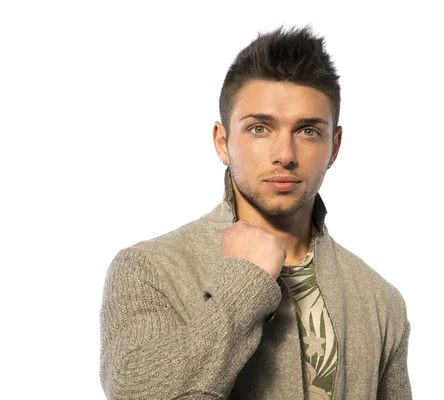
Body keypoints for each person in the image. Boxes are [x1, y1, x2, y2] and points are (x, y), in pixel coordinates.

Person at [100, 25, 411, 400]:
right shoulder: (150, 269)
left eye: (309, 131)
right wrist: (244, 281)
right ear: (222, 142)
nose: (285, 154)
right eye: (260, 128)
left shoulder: (379, 300)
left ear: (335, 146)